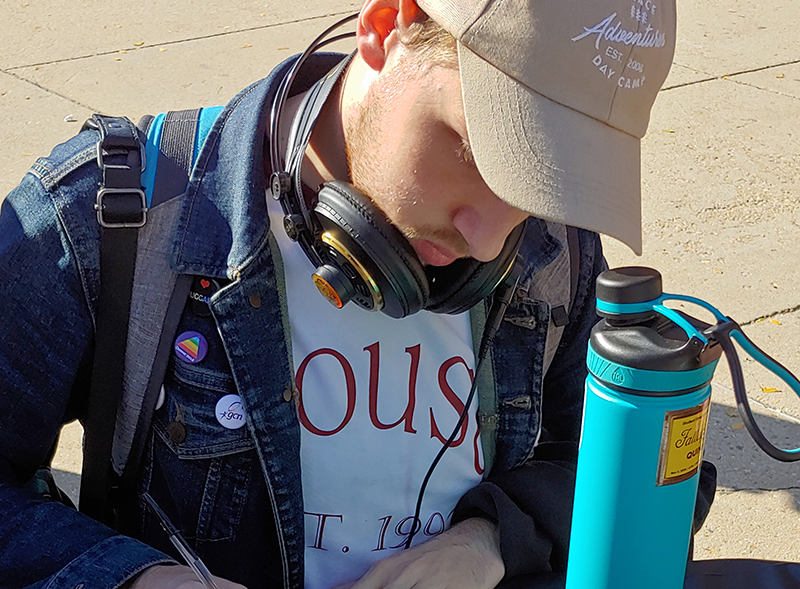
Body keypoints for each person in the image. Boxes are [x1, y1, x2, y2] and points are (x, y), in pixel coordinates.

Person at [0, 0, 684, 588]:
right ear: (387, 25)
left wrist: (495, 536)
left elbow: (631, 477)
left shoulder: (558, 247)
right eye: (476, 154)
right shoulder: (109, 216)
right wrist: (131, 575)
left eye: (541, 180)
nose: (487, 241)